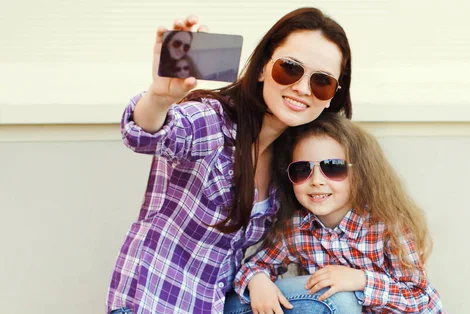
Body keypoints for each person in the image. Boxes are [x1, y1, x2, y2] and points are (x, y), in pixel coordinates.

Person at [107, 7, 353, 314]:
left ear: (332, 96)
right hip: (155, 303)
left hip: (218, 304)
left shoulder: (296, 160)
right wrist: (160, 97)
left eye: (321, 82)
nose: (302, 88)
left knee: (337, 300)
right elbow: (146, 135)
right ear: (263, 68)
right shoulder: (213, 120)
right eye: (289, 68)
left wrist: (258, 276)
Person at [231, 113, 445, 313]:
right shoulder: (297, 229)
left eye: (333, 167)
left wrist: (361, 280)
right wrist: (257, 279)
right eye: (302, 170)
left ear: (360, 173)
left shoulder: (388, 225)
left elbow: (421, 298)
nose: (316, 181)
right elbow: (256, 264)